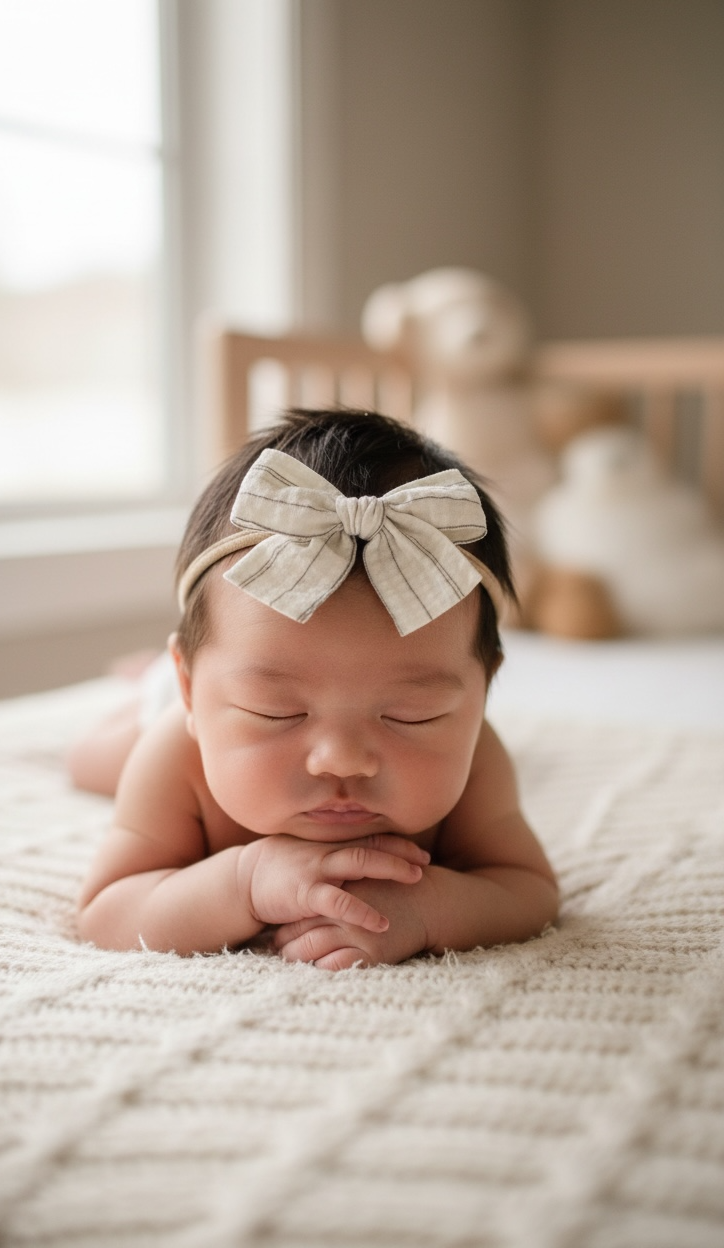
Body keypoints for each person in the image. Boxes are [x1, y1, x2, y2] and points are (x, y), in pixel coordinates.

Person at [75, 408, 558, 969]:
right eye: (274, 711)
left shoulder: (478, 761)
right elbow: (108, 910)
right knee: (95, 759)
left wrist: (428, 910)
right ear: (192, 690)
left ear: (482, 696)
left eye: (413, 715)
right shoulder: (176, 757)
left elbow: (528, 891)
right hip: (163, 716)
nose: (341, 761)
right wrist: (244, 881)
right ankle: (146, 688)